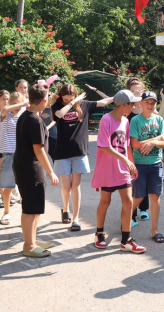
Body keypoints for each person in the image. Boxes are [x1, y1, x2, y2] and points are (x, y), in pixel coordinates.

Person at [52, 84, 114, 231]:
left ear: (75, 95)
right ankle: (65, 208)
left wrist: (123, 95)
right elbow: (59, 115)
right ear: (61, 97)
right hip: (62, 152)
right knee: (66, 187)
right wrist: (73, 102)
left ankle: (75, 219)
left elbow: (105, 102)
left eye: (71, 98)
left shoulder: (84, 105)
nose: (68, 101)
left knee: (76, 186)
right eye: (65, 99)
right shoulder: (57, 106)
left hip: (79, 151)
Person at [91, 89, 146, 253]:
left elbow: (127, 145)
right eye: (132, 104)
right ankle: (99, 233)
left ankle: (126, 240)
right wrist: (125, 160)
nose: (134, 107)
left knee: (128, 201)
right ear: (124, 104)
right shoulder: (106, 120)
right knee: (105, 201)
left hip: (122, 169)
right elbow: (104, 145)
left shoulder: (125, 121)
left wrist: (131, 163)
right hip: (107, 169)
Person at [13, 84, 60, 258]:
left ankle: (32, 239)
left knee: (36, 208)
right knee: (30, 209)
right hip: (31, 169)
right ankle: (29, 246)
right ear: (44, 101)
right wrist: (51, 172)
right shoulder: (34, 120)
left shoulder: (26, 116)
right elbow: (39, 150)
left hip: (27, 167)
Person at [130, 91, 164, 244]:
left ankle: (155, 230)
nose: (150, 105)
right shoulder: (135, 121)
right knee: (138, 197)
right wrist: (156, 139)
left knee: (155, 196)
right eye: (147, 102)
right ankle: (126, 219)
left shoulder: (159, 120)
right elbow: (135, 145)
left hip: (156, 164)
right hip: (139, 164)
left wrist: (153, 142)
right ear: (141, 103)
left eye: (153, 103)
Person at [0, 92, 28, 225]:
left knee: (25, 186)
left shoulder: (24, 115)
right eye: (14, 104)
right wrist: (24, 103)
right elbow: (5, 109)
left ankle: (26, 215)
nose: (17, 107)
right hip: (9, 154)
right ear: (10, 103)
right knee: (8, 186)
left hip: (23, 154)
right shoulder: (6, 115)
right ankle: (6, 212)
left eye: (19, 104)